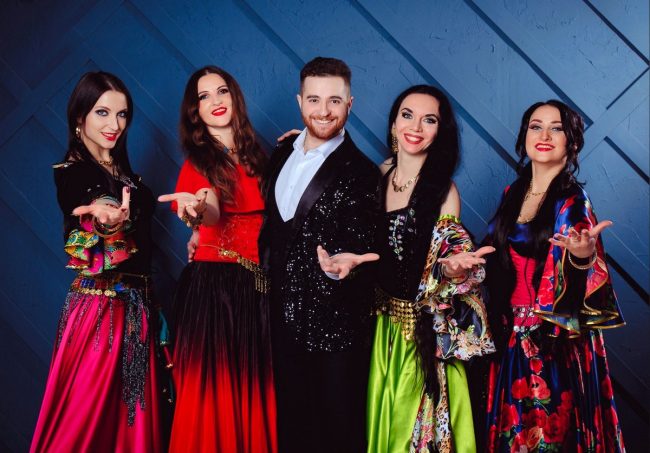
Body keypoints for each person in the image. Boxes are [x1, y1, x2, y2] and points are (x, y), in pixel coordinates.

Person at [318, 85, 496, 452]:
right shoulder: (376, 176)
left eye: (429, 120)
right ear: (393, 123)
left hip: (420, 337)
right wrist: (350, 261)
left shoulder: (443, 191)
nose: (415, 127)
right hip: (378, 330)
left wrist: (453, 269)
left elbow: (449, 255)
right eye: (407, 115)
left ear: (439, 132)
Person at [482, 100, 625, 452]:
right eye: (536, 126)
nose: (544, 135)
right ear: (524, 136)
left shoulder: (573, 201)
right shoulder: (512, 193)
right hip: (510, 338)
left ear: (571, 142)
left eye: (556, 128)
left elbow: (581, 276)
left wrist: (581, 256)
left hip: (552, 342)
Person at [31, 72, 162, 452]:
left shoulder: (128, 176)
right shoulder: (73, 173)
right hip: (101, 313)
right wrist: (105, 216)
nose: (114, 124)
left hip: (137, 310)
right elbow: (92, 202)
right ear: (80, 117)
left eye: (121, 115)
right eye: (102, 112)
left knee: (126, 427)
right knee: (83, 423)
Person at [257, 56, 380, 453]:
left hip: (335, 327)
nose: (323, 111)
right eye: (314, 100)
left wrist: (342, 267)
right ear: (300, 101)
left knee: (337, 434)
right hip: (279, 321)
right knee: (290, 431)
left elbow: (364, 245)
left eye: (334, 101)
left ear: (350, 104)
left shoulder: (362, 172)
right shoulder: (280, 154)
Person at [158, 65, 276, 453]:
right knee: (213, 397)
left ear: (234, 96)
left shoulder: (259, 155)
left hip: (257, 287)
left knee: (253, 393)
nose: (215, 101)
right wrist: (196, 210)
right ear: (195, 111)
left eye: (221, 91)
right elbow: (206, 208)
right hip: (216, 290)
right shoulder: (198, 162)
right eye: (204, 96)